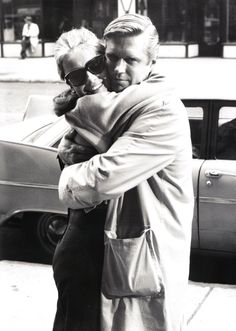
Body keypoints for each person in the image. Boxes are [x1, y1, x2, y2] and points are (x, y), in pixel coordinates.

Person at [58, 14, 194, 331]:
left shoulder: (162, 110)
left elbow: (97, 180)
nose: (118, 69)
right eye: (111, 58)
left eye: (130, 59)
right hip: (107, 265)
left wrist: (67, 176)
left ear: (152, 61)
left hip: (146, 268)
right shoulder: (116, 104)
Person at [52, 28, 108, 331]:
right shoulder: (86, 115)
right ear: (67, 82)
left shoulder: (112, 107)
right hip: (85, 251)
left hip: (105, 248)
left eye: (95, 66)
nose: (89, 79)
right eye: (75, 76)